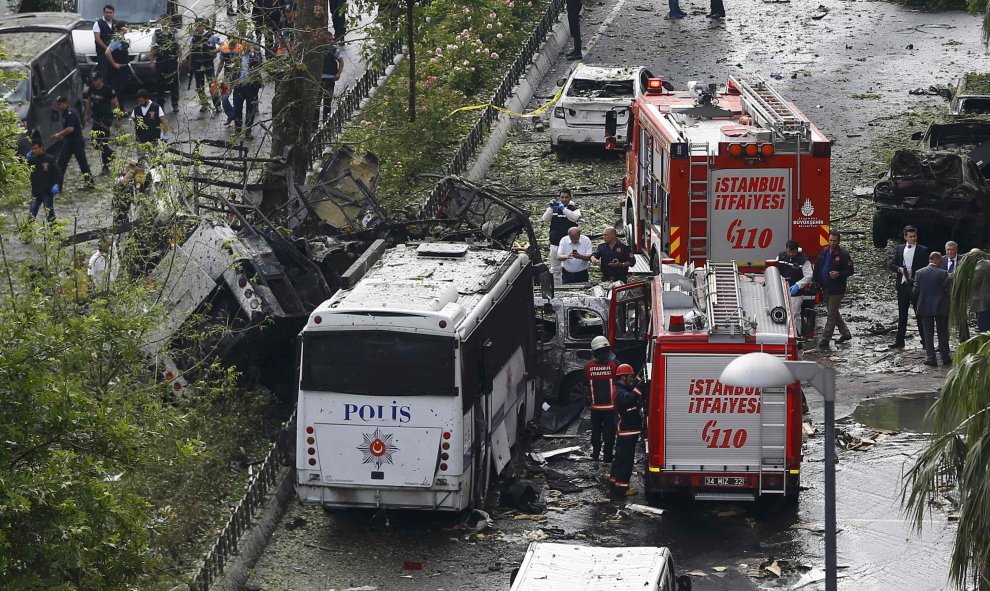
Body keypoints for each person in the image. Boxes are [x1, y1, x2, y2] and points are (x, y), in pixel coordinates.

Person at [889, 225, 930, 349]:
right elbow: (891, 264)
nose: (913, 238)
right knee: (902, 315)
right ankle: (900, 341)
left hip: (916, 286)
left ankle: (925, 341)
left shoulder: (923, 250)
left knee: (920, 314)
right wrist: (899, 269)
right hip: (902, 285)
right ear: (905, 237)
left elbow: (926, 268)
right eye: (911, 236)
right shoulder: (900, 249)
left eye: (915, 236)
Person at [814, 230, 854, 349]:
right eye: (830, 240)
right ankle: (845, 333)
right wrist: (815, 281)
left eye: (834, 241)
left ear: (839, 241)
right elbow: (818, 267)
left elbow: (850, 270)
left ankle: (826, 339)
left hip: (837, 289)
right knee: (833, 312)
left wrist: (839, 273)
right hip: (825, 287)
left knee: (831, 314)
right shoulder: (824, 251)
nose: (832, 243)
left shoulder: (843, 254)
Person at [608, 364, 642, 497]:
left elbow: (632, 386)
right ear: (623, 377)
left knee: (620, 458)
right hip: (627, 430)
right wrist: (641, 388)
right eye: (630, 376)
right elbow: (630, 398)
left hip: (627, 430)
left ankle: (614, 482)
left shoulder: (620, 388)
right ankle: (622, 488)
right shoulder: (619, 391)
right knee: (626, 461)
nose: (631, 379)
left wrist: (640, 376)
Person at [914, 251, 951, 367]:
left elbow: (915, 291)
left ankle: (931, 357)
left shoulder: (919, 273)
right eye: (941, 260)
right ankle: (945, 357)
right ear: (937, 260)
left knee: (927, 333)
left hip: (925, 306)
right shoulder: (943, 273)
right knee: (942, 332)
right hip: (940, 307)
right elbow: (948, 289)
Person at [585, 336, 618, 463]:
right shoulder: (615, 365)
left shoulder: (588, 366)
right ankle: (608, 457)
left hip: (595, 408)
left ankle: (595, 454)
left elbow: (585, 386)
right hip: (610, 408)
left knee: (596, 431)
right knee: (609, 433)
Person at [83, 71, 120, 175]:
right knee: (95, 142)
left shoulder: (108, 90)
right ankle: (111, 154)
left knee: (104, 142)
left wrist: (117, 119)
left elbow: (116, 105)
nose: (94, 82)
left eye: (95, 80)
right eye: (93, 80)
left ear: (101, 79)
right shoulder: (91, 89)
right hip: (96, 118)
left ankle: (106, 166)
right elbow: (89, 103)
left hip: (106, 119)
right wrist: (86, 115)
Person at [53, 96, 94, 189]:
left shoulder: (71, 112)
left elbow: (70, 128)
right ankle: (58, 186)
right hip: (69, 141)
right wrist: (63, 136)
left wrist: (59, 134)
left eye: (59, 104)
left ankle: (90, 184)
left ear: (65, 103)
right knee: (61, 163)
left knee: (82, 163)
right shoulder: (64, 113)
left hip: (76, 141)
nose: (58, 107)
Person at [541, 188, 580, 283]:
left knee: (570, 266)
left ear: (570, 198)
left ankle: (570, 284)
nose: (564, 199)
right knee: (555, 269)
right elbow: (545, 219)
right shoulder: (554, 208)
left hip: (569, 244)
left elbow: (574, 218)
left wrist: (564, 209)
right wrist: (550, 208)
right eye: (562, 197)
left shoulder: (574, 209)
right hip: (555, 243)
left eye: (566, 197)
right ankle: (557, 287)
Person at [228, 40, 264, 138]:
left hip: (251, 86)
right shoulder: (237, 56)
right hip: (239, 86)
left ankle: (248, 131)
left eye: (249, 45)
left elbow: (259, 63)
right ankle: (238, 130)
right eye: (244, 44)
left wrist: (252, 53)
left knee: (250, 109)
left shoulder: (256, 55)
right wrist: (230, 85)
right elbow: (232, 70)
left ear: (252, 45)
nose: (246, 46)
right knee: (237, 108)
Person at [777, 239, 813, 329]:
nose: (791, 254)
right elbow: (775, 270)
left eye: (793, 252)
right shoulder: (780, 257)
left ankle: (796, 337)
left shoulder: (803, 260)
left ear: (797, 250)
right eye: (789, 252)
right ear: (786, 250)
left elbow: (809, 276)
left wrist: (798, 285)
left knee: (794, 315)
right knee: (781, 314)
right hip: (782, 291)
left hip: (796, 294)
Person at [188, 19, 222, 113]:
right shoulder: (193, 38)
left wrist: (215, 51)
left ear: (204, 26)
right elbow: (191, 51)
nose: (197, 28)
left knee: (212, 85)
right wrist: (190, 64)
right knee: (199, 86)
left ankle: (217, 105)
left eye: (199, 26)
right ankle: (204, 104)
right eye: (196, 26)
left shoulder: (211, 36)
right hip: (197, 65)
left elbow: (222, 45)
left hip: (208, 65)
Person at [27, 138, 61, 223]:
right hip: (36, 191)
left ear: (41, 148)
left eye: (36, 148)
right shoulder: (31, 161)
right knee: (31, 213)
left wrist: (56, 184)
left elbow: (58, 173)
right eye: (32, 149)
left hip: (47, 191)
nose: (34, 151)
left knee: (50, 213)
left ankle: (55, 233)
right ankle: (28, 233)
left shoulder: (49, 159)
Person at [150, 16, 181, 112]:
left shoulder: (173, 32)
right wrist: (152, 61)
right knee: (160, 83)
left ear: (169, 21)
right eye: (163, 20)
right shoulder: (157, 33)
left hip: (172, 60)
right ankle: (160, 105)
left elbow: (178, 46)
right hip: (161, 61)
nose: (165, 22)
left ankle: (175, 103)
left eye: (166, 20)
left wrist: (180, 59)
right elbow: (153, 47)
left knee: (173, 82)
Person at [317, 31, 344, 123]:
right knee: (316, 103)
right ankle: (314, 125)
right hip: (318, 80)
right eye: (329, 39)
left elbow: (341, 61)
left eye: (332, 39)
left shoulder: (334, 50)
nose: (331, 41)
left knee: (327, 102)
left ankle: (325, 122)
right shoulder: (317, 50)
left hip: (330, 79)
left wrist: (338, 73)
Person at [104, 21, 131, 99]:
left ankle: (120, 109)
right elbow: (107, 52)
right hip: (119, 69)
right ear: (121, 28)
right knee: (117, 90)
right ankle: (117, 109)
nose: (127, 28)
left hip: (124, 67)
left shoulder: (122, 37)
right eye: (126, 26)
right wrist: (114, 64)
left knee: (122, 90)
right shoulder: (117, 39)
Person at [92, 4, 115, 78]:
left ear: (113, 13)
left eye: (110, 12)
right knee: (104, 74)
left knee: (114, 74)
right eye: (107, 12)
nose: (109, 14)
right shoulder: (98, 23)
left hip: (115, 54)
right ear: (104, 13)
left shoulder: (117, 23)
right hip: (102, 54)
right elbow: (97, 39)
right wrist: (107, 49)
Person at [972, 257, 990, 333]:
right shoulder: (987, 264)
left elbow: (973, 283)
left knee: (984, 329)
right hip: (987, 299)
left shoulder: (980, 266)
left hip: (981, 303)